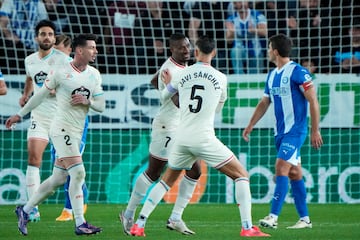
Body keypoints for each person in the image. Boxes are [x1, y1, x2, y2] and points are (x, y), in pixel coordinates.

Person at [129, 35, 270, 238]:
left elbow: (163, 96)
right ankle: (247, 227)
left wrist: (169, 84)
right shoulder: (221, 78)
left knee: (165, 181)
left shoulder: (182, 74)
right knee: (241, 176)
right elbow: (218, 110)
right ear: (214, 52)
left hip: (181, 138)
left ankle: (139, 225)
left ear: (196, 52)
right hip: (203, 138)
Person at [5, 33, 105, 236]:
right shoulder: (60, 72)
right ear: (79, 50)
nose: (96, 51)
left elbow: (101, 105)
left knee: (58, 178)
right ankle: (80, 223)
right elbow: (39, 96)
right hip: (61, 129)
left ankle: (23, 210)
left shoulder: (94, 74)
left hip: (77, 131)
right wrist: (19, 115)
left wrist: (89, 103)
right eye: (92, 48)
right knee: (78, 173)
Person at [120, 33, 201, 236]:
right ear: (171, 49)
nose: (186, 50)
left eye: (188, 46)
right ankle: (131, 214)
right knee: (155, 173)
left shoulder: (178, 69)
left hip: (177, 127)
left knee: (193, 171)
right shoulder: (171, 69)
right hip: (168, 127)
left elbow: (153, 81)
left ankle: (174, 217)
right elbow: (178, 102)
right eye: (182, 47)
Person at [242, 34, 323, 229]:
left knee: (280, 168)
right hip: (279, 133)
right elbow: (264, 102)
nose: (268, 50)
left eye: (269, 47)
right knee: (294, 174)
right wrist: (251, 124)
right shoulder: (271, 75)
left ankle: (273, 216)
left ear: (275, 51)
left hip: (296, 131)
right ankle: (305, 219)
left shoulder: (298, 72)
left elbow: (313, 100)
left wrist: (315, 131)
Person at [16, 19, 71, 223]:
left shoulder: (64, 60)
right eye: (43, 34)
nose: (46, 37)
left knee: (69, 168)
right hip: (39, 116)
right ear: (37, 37)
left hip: (61, 118)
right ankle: (33, 209)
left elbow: (72, 81)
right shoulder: (30, 60)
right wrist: (25, 94)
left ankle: (73, 208)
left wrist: (59, 88)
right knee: (33, 159)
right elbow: (30, 77)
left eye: (50, 34)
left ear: (54, 38)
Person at [53, 34, 90, 222]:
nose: (54, 52)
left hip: (76, 125)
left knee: (71, 167)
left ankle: (70, 209)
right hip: (57, 123)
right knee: (59, 170)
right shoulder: (57, 67)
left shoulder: (76, 69)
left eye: (57, 48)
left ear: (69, 49)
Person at [0, 0, 48, 74]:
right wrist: (9, 35)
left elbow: (45, 25)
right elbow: (3, 22)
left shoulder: (38, 4)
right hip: (14, 43)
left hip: (32, 44)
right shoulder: (9, 2)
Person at [187, 2, 233, 74]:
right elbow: (192, 31)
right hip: (205, 50)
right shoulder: (199, 5)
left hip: (222, 48)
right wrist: (199, 49)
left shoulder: (225, 4)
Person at [225, 1, 267, 74]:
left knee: (255, 78)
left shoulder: (257, 15)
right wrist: (232, 32)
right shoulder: (231, 19)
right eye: (236, 3)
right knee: (235, 51)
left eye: (241, 2)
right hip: (240, 50)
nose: (239, 4)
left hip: (256, 50)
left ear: (247, 2)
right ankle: (239, 77)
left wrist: (253, 30)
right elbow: (229, 41)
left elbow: (264, 32)